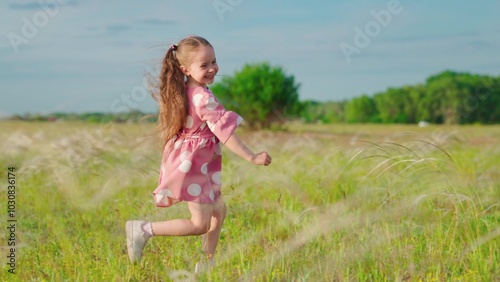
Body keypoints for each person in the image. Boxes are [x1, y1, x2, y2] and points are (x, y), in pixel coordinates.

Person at [126, 35, 272, 273]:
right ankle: (143, 230)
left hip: (195, 163)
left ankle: (207, 261)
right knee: (200, 223)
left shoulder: (185, 91)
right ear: (185, 69)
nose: (212, 68)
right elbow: (225, 133)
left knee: (218, 209)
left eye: (213, 61)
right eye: (204, 65)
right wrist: (252, 157)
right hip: (195, 166)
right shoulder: (203, 98)